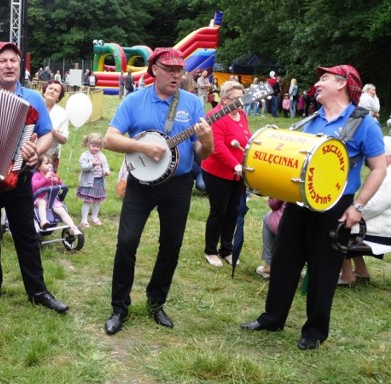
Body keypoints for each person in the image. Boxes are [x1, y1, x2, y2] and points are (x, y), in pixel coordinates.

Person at [240, 64, 386, 351]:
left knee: (323, 270)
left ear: (342, 84)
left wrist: (357, 207)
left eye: (324, 79)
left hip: (336, 206)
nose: (317, 84)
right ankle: (272, 318)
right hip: (299, 202)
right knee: (284, 262)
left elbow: (379, 168)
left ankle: (314, 331)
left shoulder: (363, 122)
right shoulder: (312, 120)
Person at [102, 47, 213, 335]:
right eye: (170, 69)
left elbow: (202, 152)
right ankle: (119, 306)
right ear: (154, 70)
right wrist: (141, 146)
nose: (177, 75)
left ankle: (156, 302)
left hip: (179, 185)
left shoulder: (192, 102)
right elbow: (109, 139)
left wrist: (208, 140)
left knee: (171, 246)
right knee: (127, 242)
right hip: (141, 185)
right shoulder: (135, 100)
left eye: (180, 70)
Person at [0, 42, 69, 314]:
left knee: (26, 234)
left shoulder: (33, 97)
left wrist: (35, 153)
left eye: (14, 61)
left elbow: (46, 133)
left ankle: (37, 290)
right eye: (3, 61)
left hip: (19, 174)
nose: (9, 65)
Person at [201, 81, 252, 267]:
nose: (240, 102)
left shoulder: (242, 115)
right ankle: (211, 250)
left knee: (233, 211)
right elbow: (217, 146)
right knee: (219, 211)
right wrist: (234, 165)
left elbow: (246, 138)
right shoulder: (215, 116)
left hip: (239, 174)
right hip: (218, 173)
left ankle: (227, 249)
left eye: (242, 98)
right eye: (236, 99)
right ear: (224, 100)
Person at [339, 135, 391, 285]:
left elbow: (375, 206)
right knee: (351, 223)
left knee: (340, 229)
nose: (371, 159)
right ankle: (361, 271)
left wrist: (352, 211)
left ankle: (347, 276)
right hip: (382, 225)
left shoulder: (388, 176)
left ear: (388, 157)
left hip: (384, 230)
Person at [32, 154, 81, 236]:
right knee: (42, 203)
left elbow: (60, 182)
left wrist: (57, 180)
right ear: (39, 166)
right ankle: (43, 221)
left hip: (52, 198)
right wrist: (45, 179)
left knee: (61, 210)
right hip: (40, 198)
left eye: (51, 163)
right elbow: (34, 186)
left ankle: (72, 227)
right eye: (47, 163)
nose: (50, 165)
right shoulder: (36, 175)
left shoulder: (52, 174)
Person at [76, 132, 111, 228]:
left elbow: (105, 164)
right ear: (88, 144)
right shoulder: (85, 155)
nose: (96, 148)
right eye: (93, 146)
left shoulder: (101, 155)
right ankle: (84, 220)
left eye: (98, 146)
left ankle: (94, 217)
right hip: (88, 182)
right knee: (88, 201)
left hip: (99, 181)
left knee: (97, 201)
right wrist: (92, 164)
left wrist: (106, 170)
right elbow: (83, 167)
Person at [42, 79, 69, 171]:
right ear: (45, 91)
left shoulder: (62, 113)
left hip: (50, 156)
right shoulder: (35, 104)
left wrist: (55, 133)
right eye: (50, 88)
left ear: (58, 97)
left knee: (46, 183)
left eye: (56, 90)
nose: (52, 91)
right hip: (30, 153)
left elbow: (64, 140)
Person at [255, 198, 286, 279]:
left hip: (287, 224)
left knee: (268, 218)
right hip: (311, 230)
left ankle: (269, 265)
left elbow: (273, 203)